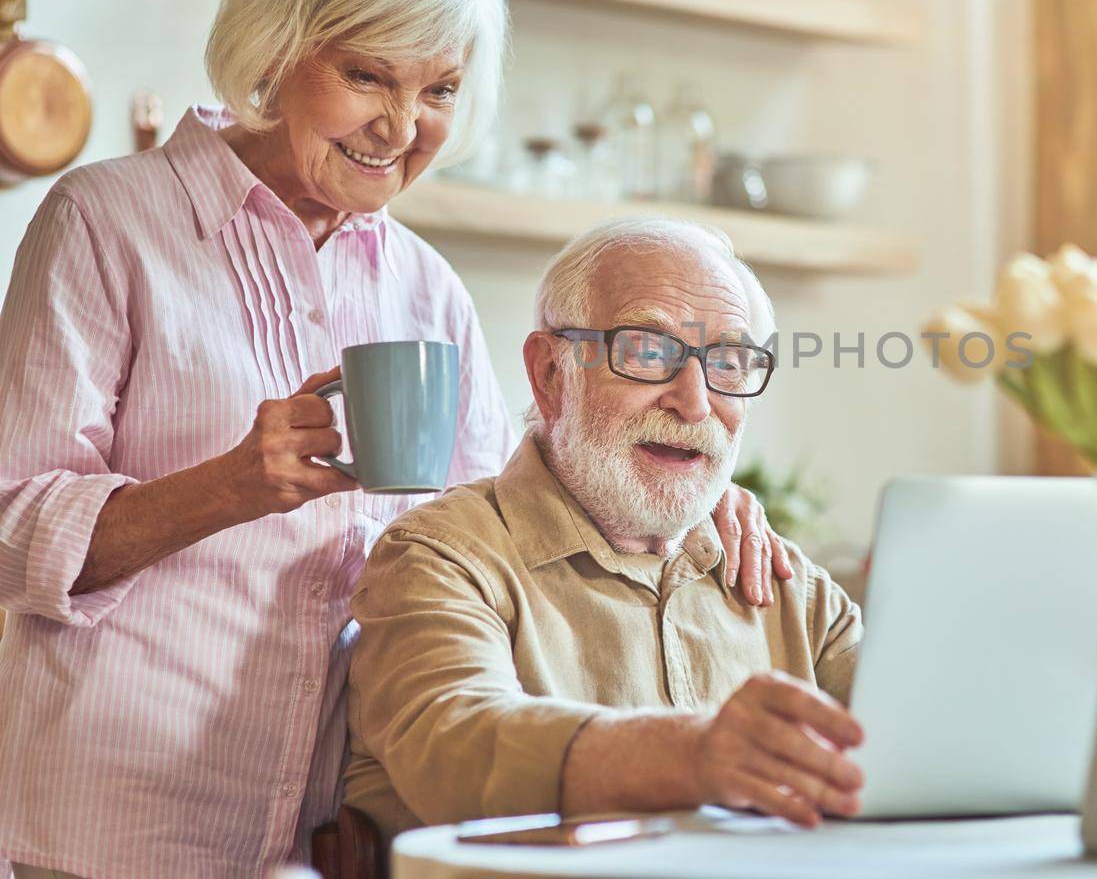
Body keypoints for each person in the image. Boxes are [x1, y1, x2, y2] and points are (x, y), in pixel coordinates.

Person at [0, 0, 783, 879]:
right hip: (112, 821)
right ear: (274, 50)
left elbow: (494, 536)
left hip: (332, 837)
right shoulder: (107, 222)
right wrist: (230, 487)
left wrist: (689, 501)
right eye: (368, 76)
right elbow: (10, 524)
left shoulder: (428, 288)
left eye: (441, 91)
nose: (402, 126)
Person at [343, 219, 865, 838]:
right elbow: (457, 743)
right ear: (551, 375)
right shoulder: (441, 556)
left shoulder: (784, 584)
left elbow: (927, 738)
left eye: (727, 362)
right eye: (647, 351)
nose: (694, 402)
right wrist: (692, 753)